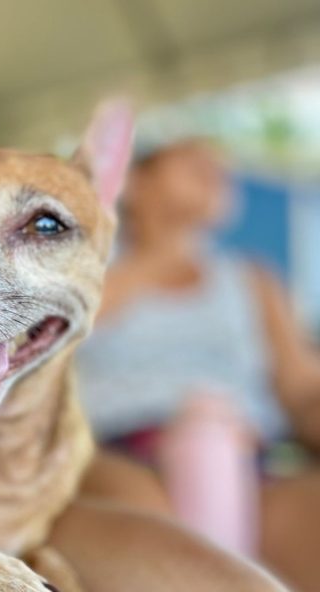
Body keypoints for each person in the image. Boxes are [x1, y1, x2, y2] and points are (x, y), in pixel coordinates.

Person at [77, 138, 320, 591]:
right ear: (134, 181)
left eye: (221, 165)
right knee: (156, 548)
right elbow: (43, 343)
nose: (214, 169)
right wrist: (158, 259)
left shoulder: (254, 280)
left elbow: (304, 388)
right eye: (191, 159)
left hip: (251, 455)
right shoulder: (83, 267)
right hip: (120, 450)